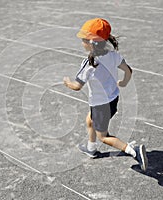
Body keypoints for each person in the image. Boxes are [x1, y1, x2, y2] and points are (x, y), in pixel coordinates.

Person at [63, 18, 148, 171]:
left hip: (100, 105)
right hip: (113, 99)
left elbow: (77, 86)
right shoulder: (113, 55)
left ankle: (133, 151)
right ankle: (91, 148)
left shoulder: (90, 63)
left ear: (91, 43)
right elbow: (128, 70)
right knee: (90, 120)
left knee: (103, 136)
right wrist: (124, 82)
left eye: (83, 39)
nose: (82, 42)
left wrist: (67, 82)